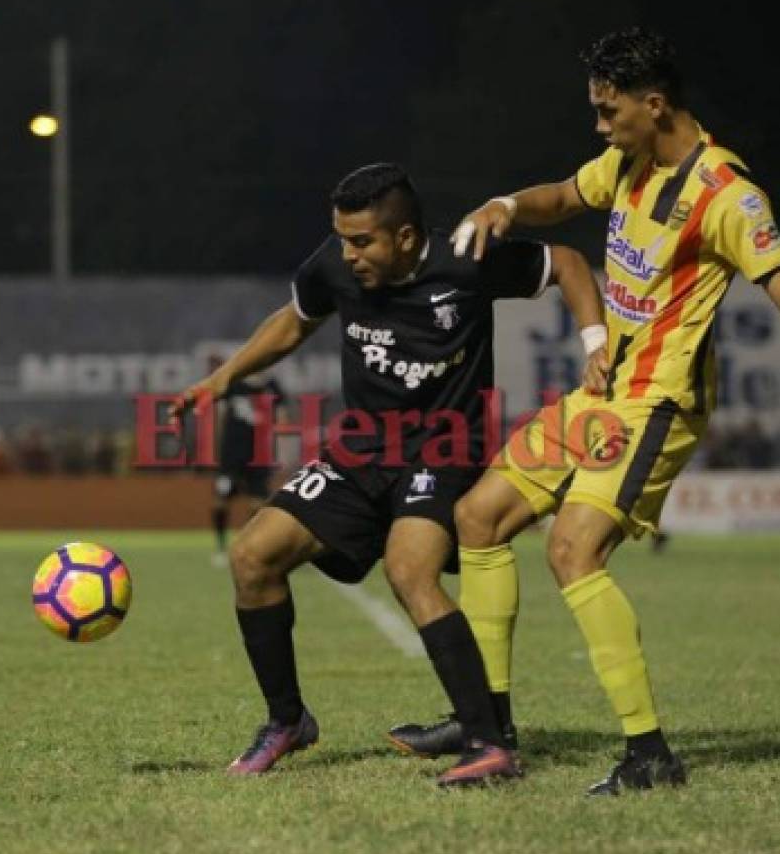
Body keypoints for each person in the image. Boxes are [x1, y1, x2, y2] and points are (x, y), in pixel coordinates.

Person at [387, 27, 780, 795]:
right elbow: (563, 197)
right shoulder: (628, 166)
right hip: (603, 393)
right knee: (477, 517)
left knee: (572, 551)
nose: (599, 126)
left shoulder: (727, 197)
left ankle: (648, 756)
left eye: (608, 112)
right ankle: (489, 730)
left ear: (655, 103)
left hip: (658, 403)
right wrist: (507, 204)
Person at [171, 162, 604, 786]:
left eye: (362, 241)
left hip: (445, 449)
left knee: (409, 568)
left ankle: (488, 742)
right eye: (341, 238)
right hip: (361, 452)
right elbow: (294, 320)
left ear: (405, 238)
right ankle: (287, 722)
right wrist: (223, 377)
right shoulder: (335, 264)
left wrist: (596, 346)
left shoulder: (467, 257)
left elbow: (565, 262)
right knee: (252, 557)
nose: (347, 255)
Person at [204, 353, 287, 568]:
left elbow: (283, 419)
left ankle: (252, 548)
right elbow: (220, 416)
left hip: (258, 456)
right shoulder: (235, 384)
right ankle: (220, 548)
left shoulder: (271, 386)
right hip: (231, 455)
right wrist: (217, 449)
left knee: (258, 505)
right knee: (220, 500)